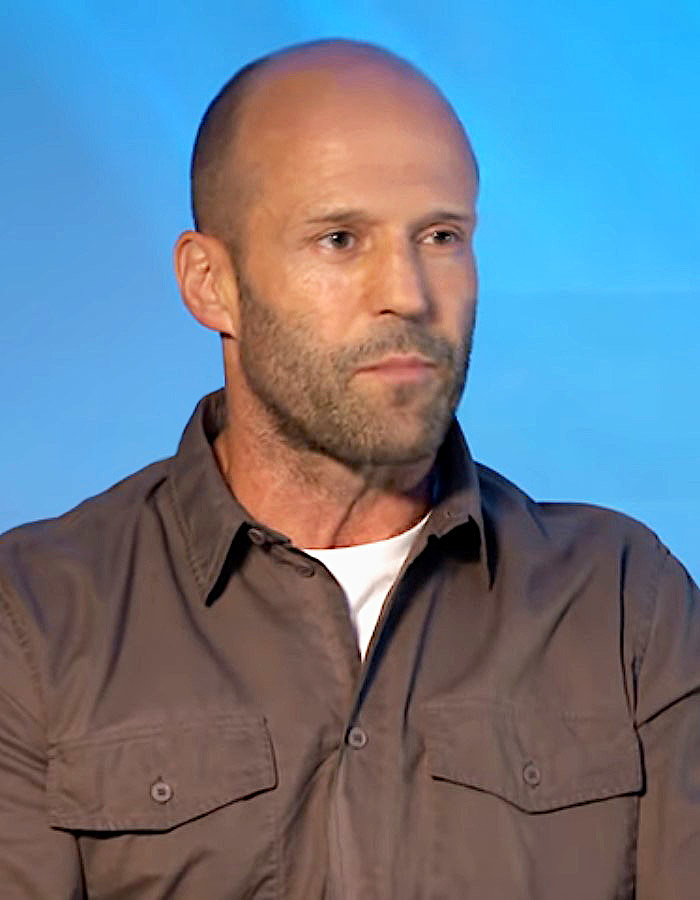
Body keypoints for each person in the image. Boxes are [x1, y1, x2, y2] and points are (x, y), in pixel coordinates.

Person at [0, 38, 698, 899]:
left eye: (441, 236)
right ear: (210, 283)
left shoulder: (627, 605)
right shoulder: (34, 618)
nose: (407, 292)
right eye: (339, 239)